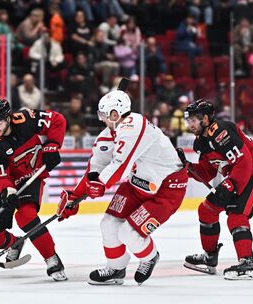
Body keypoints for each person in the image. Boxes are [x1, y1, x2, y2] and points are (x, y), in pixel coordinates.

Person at [57, 90, 188, 285]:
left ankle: (149, 256)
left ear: (116, 114)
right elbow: (95, 168)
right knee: (108, 224)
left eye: (104, 114)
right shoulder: (107, 135)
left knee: (129, 233)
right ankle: (116, 268)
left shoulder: (133, 125)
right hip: (137, 184)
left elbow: (120, 163)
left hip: (166, 189)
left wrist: (101, 184)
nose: (102, 119)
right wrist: (74, 197)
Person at [179, 99, 253, 280]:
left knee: (236, 213)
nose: (190, 124)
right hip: (239, 173)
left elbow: (244, 161)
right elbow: (207, 173)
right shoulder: (201, 142)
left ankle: (247, 263)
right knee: (206, 210)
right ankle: (210, 257)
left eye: (193, 120)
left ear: (205, 118)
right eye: (188, 120)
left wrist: (231, 184)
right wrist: (187, 166)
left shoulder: (221, 132)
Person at [0, 98, 68, 281]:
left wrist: (52, 145)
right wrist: (9, 190)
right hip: (4, 187)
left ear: (9, 118)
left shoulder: (26, 119)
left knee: (25, 215)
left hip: (32, 177)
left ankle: (52, 258)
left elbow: (57, 120)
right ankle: (15, 243)